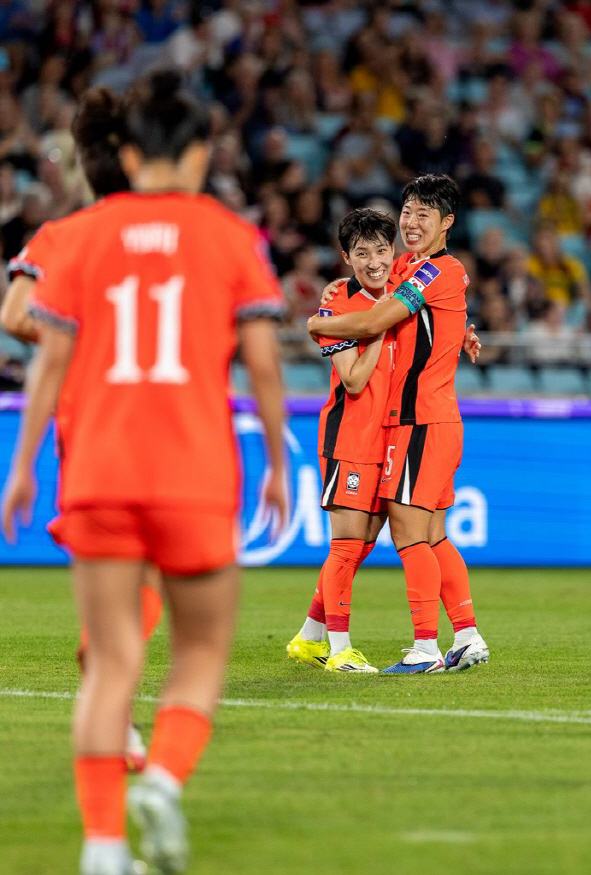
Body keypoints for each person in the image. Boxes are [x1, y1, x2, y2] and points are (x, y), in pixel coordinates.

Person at [1, 70, 287, 875]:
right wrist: (274, 463)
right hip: (194, 470)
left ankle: (101, 847)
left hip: (96, 470)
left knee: (111, 661)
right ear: (198, 153)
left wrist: (22, 469)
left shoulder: (79, 235)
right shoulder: (232, 236)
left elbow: (47, 358)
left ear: (126, 153)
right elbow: (264, 363)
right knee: (200, 648)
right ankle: (160, 780)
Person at [1, 86, 162, 772]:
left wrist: (80, 341)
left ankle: (116, 713)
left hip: (87, 425)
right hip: (159, 421)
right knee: (153, 574)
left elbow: (14, 315)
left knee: (111, 575)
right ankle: (115, 692)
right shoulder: (174, 239)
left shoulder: (59, 235)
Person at [308, 174, 488, 675]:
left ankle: (426, 647)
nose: (409, 222)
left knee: (409, 532)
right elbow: (381, 294)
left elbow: (371, 322)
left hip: (420, 419)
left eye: (423, 215)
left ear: (447, 223)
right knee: (432, 534)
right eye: (406, 211)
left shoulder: (437, 271)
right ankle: (468, 636)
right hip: (424, 420)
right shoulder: (411, 266)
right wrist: (463, 331)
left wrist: (320, 323)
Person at [287, 208, 399, 674]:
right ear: (345, 258)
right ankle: (340, 649)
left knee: (365, 540)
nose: (373, 261)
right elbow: (352, 380)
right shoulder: (336, 307)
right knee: (347, 544)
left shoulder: (405, 291)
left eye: (381, 250)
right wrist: (378, 324)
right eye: (361, 253)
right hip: (349, 438)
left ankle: (309, 638)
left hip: (387, 436)